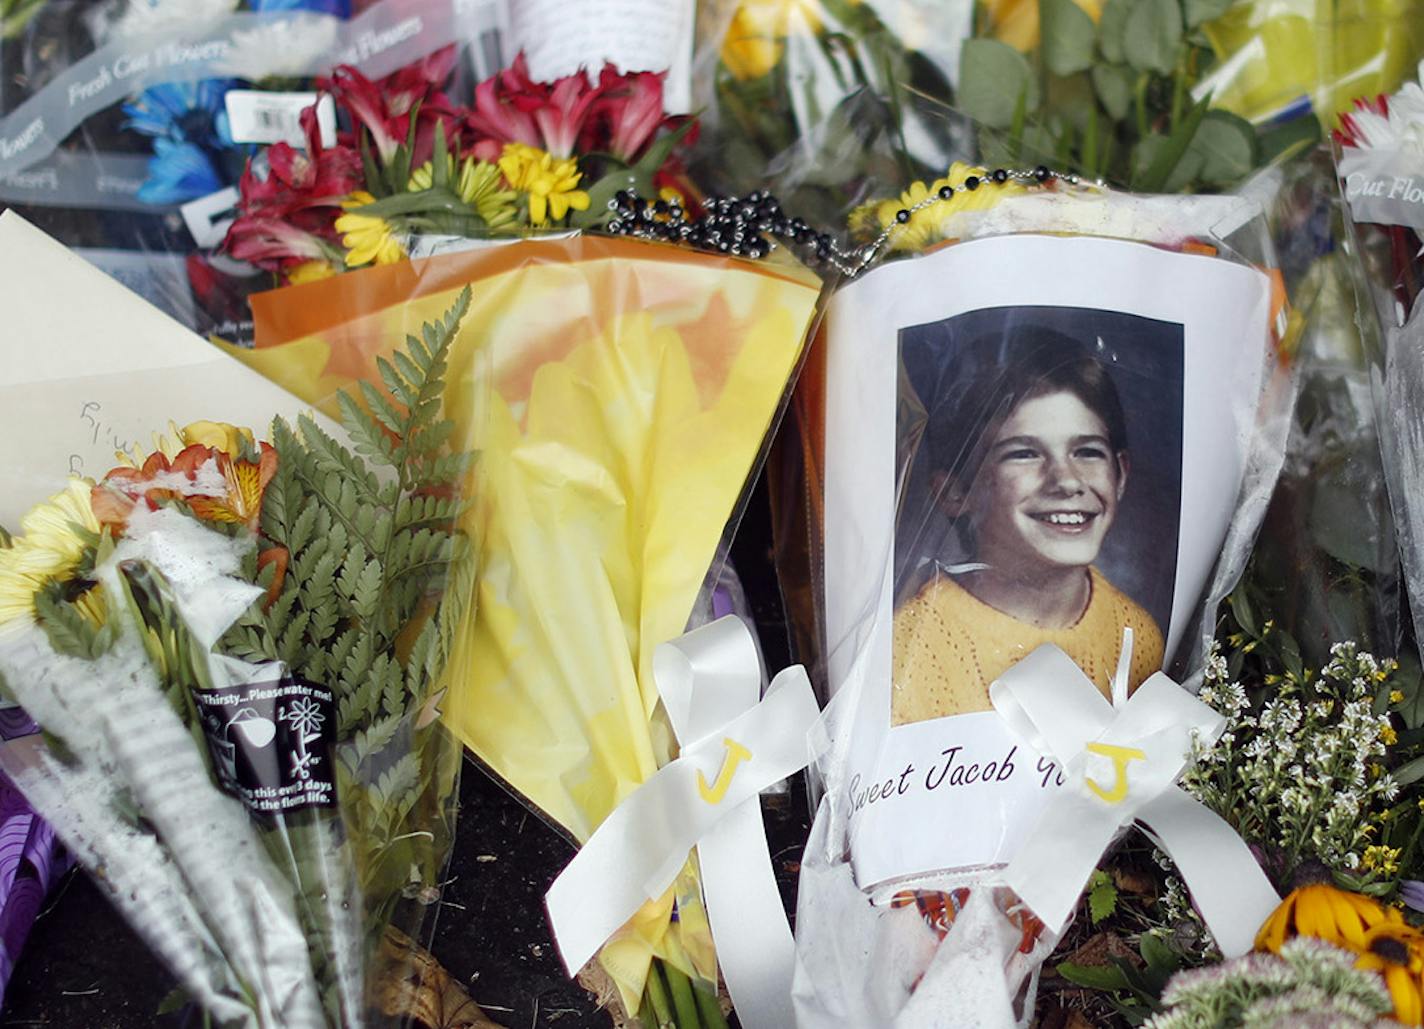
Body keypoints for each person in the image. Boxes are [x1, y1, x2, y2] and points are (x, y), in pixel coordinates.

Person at [891, 327, 1165, 725]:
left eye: (1087, 451)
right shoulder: (912, 649)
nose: (1067, 481)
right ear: (954, 493)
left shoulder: (1136, 636)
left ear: (1120, 474)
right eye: (1024, 453)